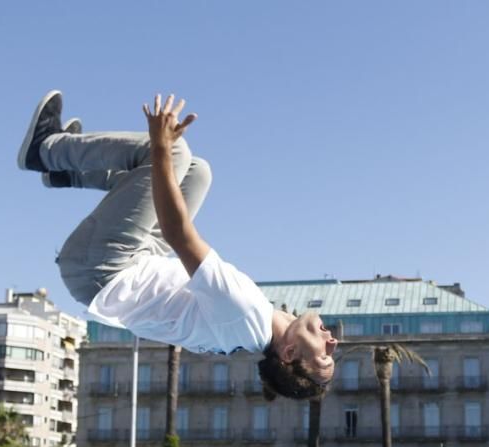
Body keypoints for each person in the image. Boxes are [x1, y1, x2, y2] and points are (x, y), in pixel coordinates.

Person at [19, 90, 337, 400]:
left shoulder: (243, 314)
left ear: (290, 352)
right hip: (139, 262)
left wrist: (160, 144)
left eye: (325, 356)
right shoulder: (259, 328)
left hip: (101, 268)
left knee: (173, 154)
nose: (332, 341)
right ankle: (69, 172)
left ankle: (46, 150)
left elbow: (179, 234)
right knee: (196, 174)